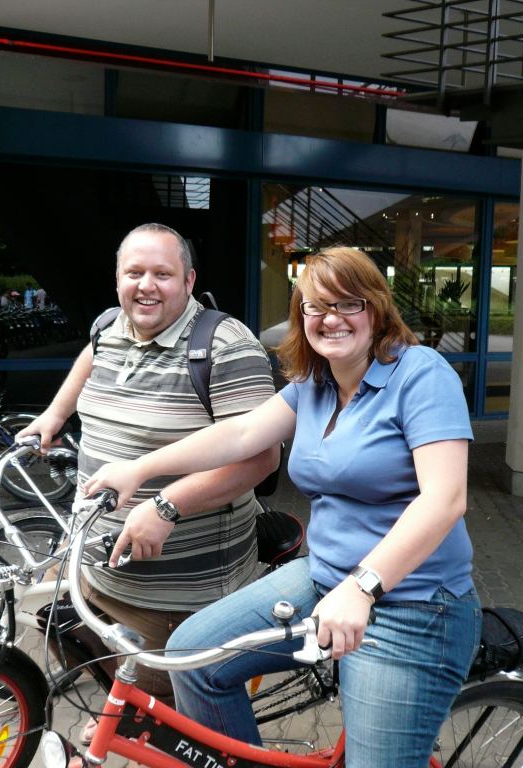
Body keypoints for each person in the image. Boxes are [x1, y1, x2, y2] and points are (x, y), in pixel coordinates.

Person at [83, 246, 481, 767]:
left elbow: (445, 499)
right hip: (323, 580)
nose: (330, 318)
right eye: (315, 307)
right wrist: (143, 469)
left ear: (377, 308)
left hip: (413, 606)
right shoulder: (316, 383)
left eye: (349, 304)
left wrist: (362, 587)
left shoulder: (421, 375)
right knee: (191, 656)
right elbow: (242, 433)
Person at [18, 222, 278, 710]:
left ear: (189, 281)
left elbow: (261, 458)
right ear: (118, 279)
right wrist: (54, 415)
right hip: (101, 570)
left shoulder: (226, 346)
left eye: (163, 273)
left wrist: (167, 505)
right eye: (134, 272)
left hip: (181, 593)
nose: (146, 285)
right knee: (117, 686)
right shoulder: (109, 325)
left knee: (174, 718)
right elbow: (90, 358)